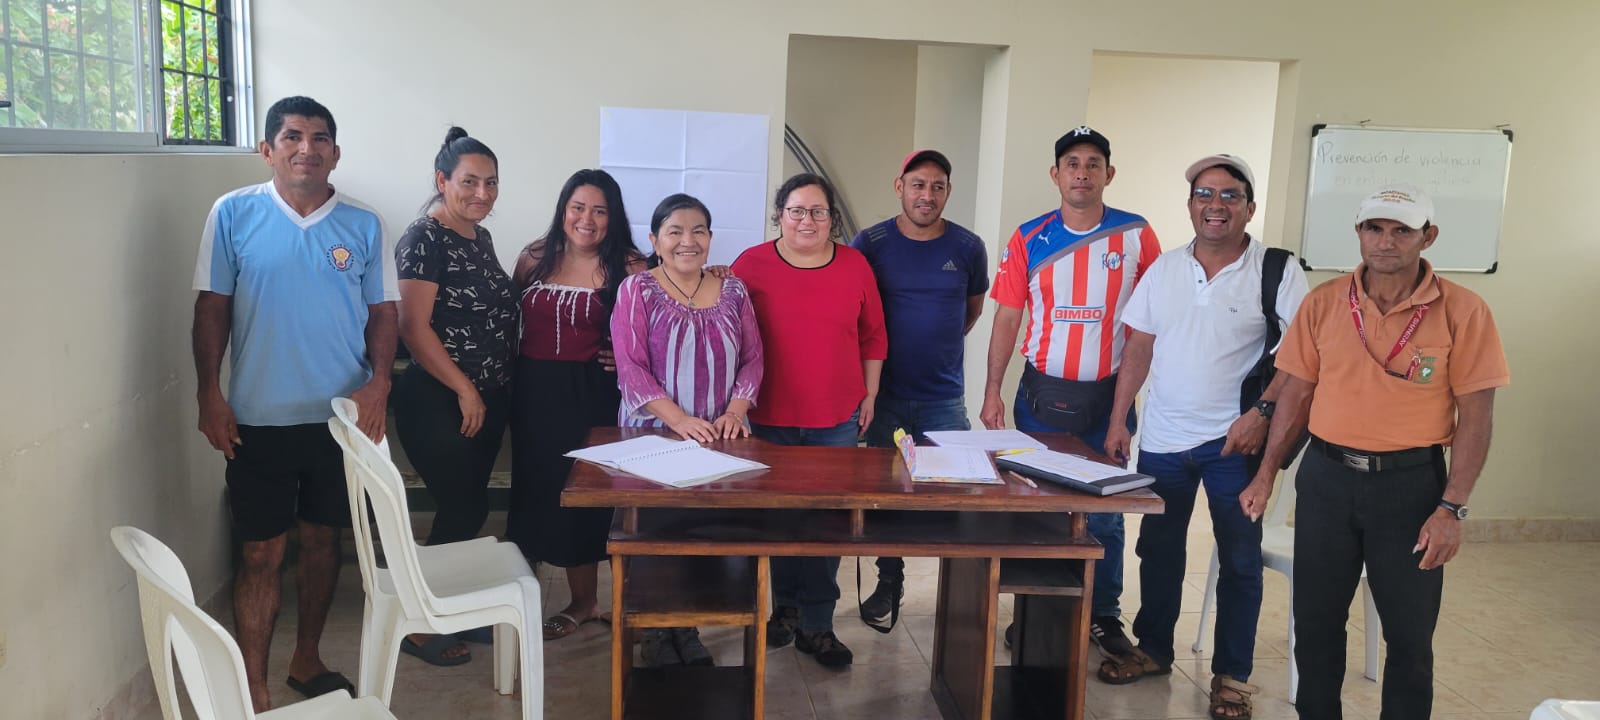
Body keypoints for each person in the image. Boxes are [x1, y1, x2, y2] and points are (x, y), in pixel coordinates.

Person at [1242, 185, 1509, 720]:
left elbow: (1477, 417)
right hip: (1327, 480)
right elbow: (1295, 395)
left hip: (1411, 489)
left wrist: (1451, 508)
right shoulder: (1324, 302)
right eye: (1374, 228)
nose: (1385, 241)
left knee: (1409, 639)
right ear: (1359, 233)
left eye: (1401, 230)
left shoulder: (1464, 311)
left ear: (1427, 237)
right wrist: (1267, 472)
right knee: (1316, 626)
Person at [191, 96, 397, 711]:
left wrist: (380, 381)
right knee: (259, 552)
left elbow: (385, 311)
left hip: (340, 422)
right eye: (292, 136)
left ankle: (307, 658)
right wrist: (209, 392)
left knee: (321, 542)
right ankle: (253, 680)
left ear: (335, 152)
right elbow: (212, 308)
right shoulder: (233, 214)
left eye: (319, 138)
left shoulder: (363, 224)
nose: (306, 147)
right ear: (268, 148)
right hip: (259, 418)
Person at [1101, 155, 1309, 719]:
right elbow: (1138, 348)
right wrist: (1121, 419)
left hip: (1233, 446)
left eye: (1230, 196)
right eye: (1205, 194)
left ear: (1249, 206)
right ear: (1191, 204)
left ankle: (1232, 676)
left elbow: (1301, 356)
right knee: (1159, 551)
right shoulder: (1165, 269)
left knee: (1240, 559)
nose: (1216, 205)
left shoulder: (1277, 270)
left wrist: (1261, 415)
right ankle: (1155, 648)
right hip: (1165, 440)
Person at [980, 126, 1160, 658]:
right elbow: (1007, 318)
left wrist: (1122, 416)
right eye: (1072, 163)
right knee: (1035, 507)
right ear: (1056, 174)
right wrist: (992, 389)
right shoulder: (1029, 235)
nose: (1082, 172)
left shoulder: (1136, 234)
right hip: (1038, 397)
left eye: (1093, 162)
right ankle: (1033, 614)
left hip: (1109, 399)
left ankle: (1103, 616)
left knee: (1105, 512)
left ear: (1109, 173)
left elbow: (1148, 328)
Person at [732, 173, 887, 668]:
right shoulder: (750, 264)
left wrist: (870, 393)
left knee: (825, 521)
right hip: (768, 416)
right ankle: (785, 610)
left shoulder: (855, 264)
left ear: (831, 218)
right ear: (780, 214)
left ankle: (819, 624)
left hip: (835, 416)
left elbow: (874, 336)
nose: (807, 220)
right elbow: (723, 326)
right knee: (776, 519)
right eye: (797, 210)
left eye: (818, 212)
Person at [611, 193, 765, 667]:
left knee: (703, 533)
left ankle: (689, 627)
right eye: (675, 231)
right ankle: (658, 631)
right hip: (653, 436)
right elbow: (630, 367)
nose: (687, 240)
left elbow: (754, 357)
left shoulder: (734, 291)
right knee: (655, 534)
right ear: (656, 240)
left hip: (721, 438)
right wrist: (678, 421)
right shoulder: (635, 290)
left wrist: (736, 411)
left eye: (698, 231)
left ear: (711, 240)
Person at [391, 127, 519, 666]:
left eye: (491, 183)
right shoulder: (424, 238)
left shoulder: (476, 235)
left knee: (469, 508)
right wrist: (465, 389)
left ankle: (455, 608)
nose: (482, 194)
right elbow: (413, 328)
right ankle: (418, 624)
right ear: (442, 180)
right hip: (439, 399)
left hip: (483, 399)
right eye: (470, 182)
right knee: (462, 504)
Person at [850, 149, 988, 625]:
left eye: (937, 186)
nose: (926, 195)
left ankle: (963, 600)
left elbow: (971, 311)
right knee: (886, 494)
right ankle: (890, 580)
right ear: (899, 186)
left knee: (961, 491)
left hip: (943, 396)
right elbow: (856, 310)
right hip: (883, 395)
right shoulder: (871, 241)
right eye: (918, 185)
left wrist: (936, 342)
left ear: (948, 192)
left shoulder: (968, 247)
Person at [509, 169, 646, 641]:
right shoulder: (533, 257)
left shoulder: (629, 265)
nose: (587, 219)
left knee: (590, 496)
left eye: (600, 210)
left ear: (614, 217)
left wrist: (621, 351)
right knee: (542, 491)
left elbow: (656, 323)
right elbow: (512, 321)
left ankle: (599, 602)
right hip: (533, 393)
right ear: (564, 209)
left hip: (595, 395)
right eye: (578, 207)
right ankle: (561, 601)